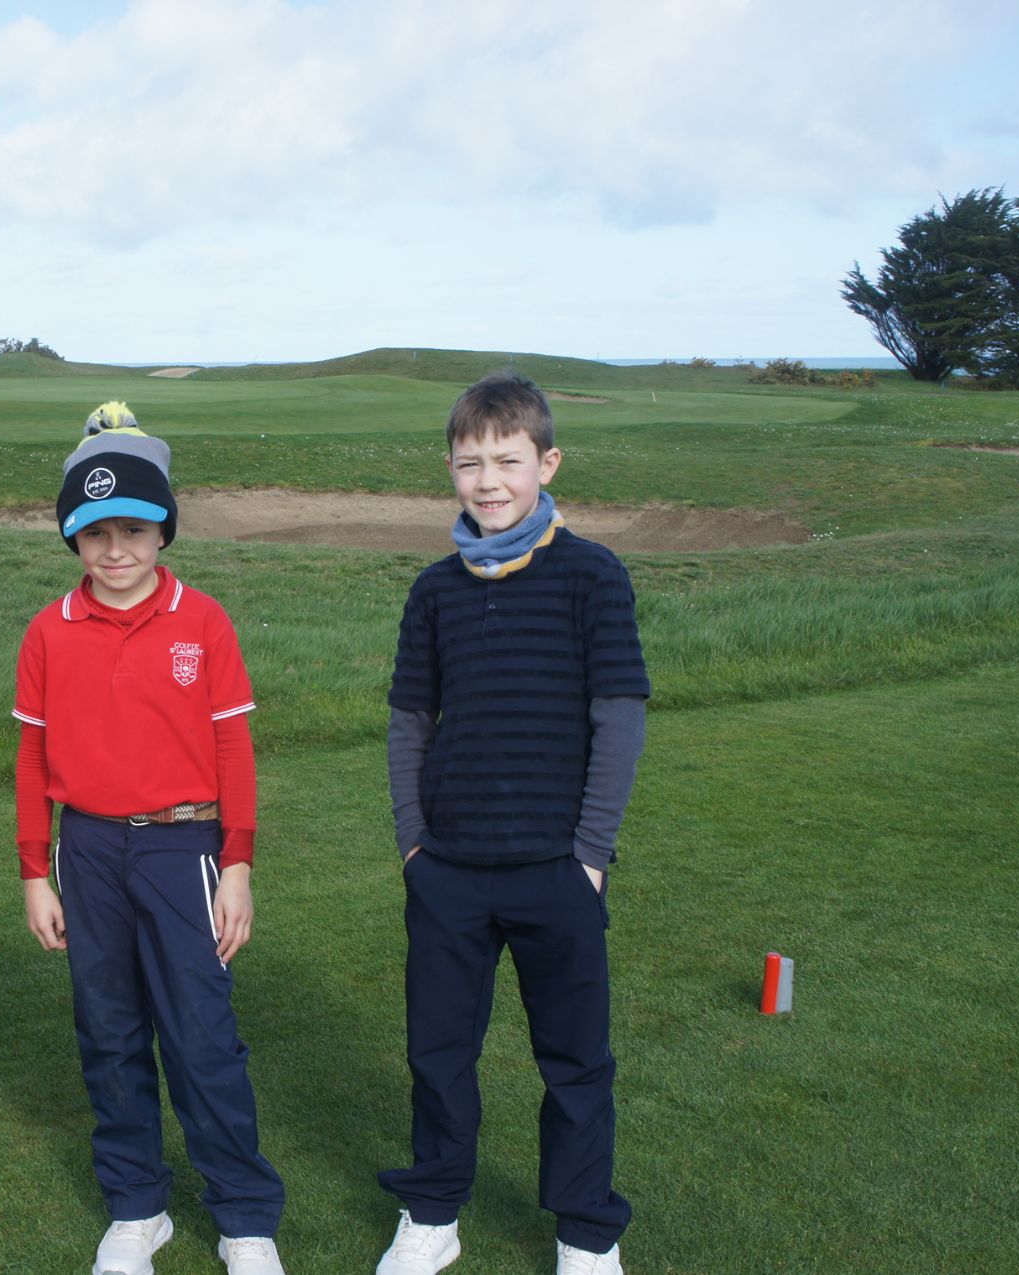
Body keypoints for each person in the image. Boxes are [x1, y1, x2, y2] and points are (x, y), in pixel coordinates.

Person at [374, 373, 649, 1275]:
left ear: (547, 462)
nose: (488, 480)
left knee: (574, 1060)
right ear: (451, 470)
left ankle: (586, 1232)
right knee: (438, 1052)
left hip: (556, 869)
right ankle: (433, 1212)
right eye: (469, 463)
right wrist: (414, 843)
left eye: (507, 460)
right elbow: (410, 721)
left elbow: (619, 718)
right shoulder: (435, 590)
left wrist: (590, 856)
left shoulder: (593, 574)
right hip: (449, 868)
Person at [14, 403, 288, 1275]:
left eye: (133, 529)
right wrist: (34, 871)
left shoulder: (201, 620)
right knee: (109, 1030)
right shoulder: (49, 629)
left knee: (201, 1033)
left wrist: (237, 862)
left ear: (163, 530)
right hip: (88, 848)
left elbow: (232, 747)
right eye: (95, 532)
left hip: (185, 847)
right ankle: (137, 1206)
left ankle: (244, 1216)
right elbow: (31, 758)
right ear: (74, 538)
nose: (115, 549)